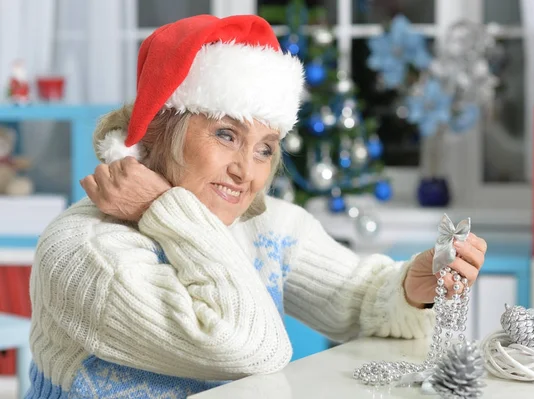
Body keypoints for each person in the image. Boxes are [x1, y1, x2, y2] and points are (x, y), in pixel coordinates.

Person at [26, 14, 487, 398]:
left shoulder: (268, 226)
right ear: (160, 131)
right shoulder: (84, 251)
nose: (246, 172)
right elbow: (251, 348)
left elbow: (357, 297)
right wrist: (167, 207)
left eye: (265, 148)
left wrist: (410, 286)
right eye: (226, 135)